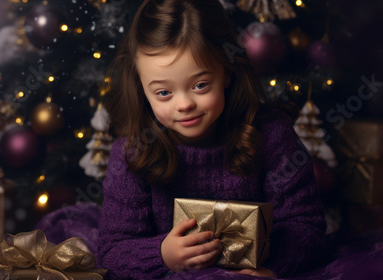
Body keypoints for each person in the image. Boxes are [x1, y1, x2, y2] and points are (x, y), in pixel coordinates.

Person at [97, 0, 326, 279]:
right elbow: (112, 250)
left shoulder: (272, 136)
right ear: (141, 87)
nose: (184, 104)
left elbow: (306, 225)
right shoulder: (133, 150)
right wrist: (161, 255)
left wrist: (272, 268)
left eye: (200, 85)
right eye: (163, 93)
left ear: (227, 72)